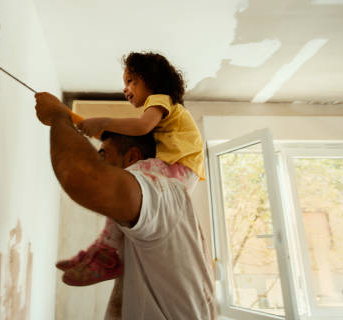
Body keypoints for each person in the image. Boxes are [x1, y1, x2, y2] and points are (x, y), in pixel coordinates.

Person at [35, 91, 217, 319]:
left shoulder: (160, 191)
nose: (99, 162)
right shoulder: (158, 197)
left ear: (132, 158)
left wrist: (59, 117)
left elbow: (83, 179)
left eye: (103, 155)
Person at [58, 52, 206, 286]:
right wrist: (75, 120)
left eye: (130, 81)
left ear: (151, 80)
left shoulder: (160, 100)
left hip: (180, 168)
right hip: (183, 172)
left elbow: (140, 126)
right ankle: (103, 249)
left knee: (126, 180)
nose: (125, 89)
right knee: (129, 193)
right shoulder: (164, 111)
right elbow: (125, 135)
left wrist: (104, 121)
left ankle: (105, 253)